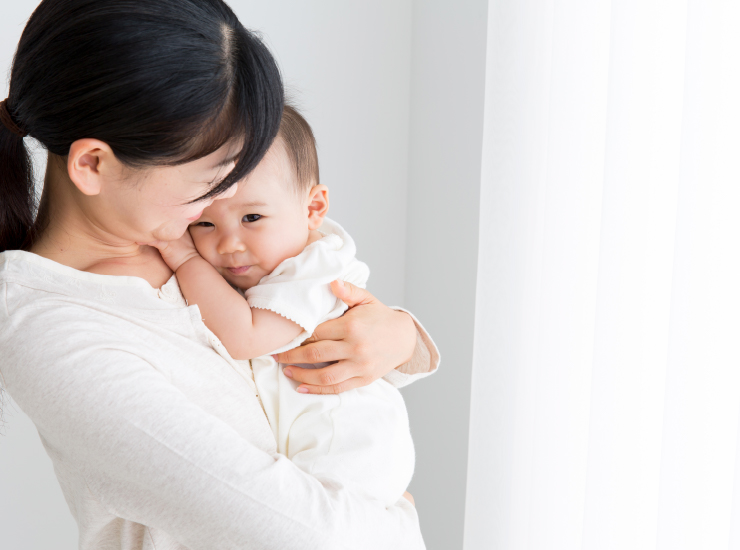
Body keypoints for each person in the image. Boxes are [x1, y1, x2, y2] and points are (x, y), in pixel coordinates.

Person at [0, 1, 439, 549]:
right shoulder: (52, 333)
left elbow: (312, 319)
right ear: (92, 164)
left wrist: (395, 336)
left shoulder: (183, 230)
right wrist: (396, 524)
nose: (230, 200)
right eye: (211, 178)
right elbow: (302, 537)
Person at [152, 104, 419, 507]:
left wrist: (186, 258)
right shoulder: (263, 267)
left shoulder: (316, 269)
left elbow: (245, 337)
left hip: (344, 447)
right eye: (203, 224)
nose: (228, 244)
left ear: (313, 209)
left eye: (253, 217)